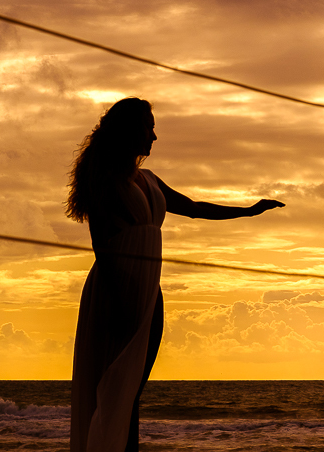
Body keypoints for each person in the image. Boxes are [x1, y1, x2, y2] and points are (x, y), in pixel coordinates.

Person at [66, 97, 284, 452]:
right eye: (149, 127)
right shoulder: (106, 180)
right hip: (115, 287)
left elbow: (195, 209)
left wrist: (247, 211)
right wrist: (120, 300)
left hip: (149, 288)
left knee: (133, 387)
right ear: (131, 130)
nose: (154, 136)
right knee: (118, 383)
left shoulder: (149, 180)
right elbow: (101, 246)